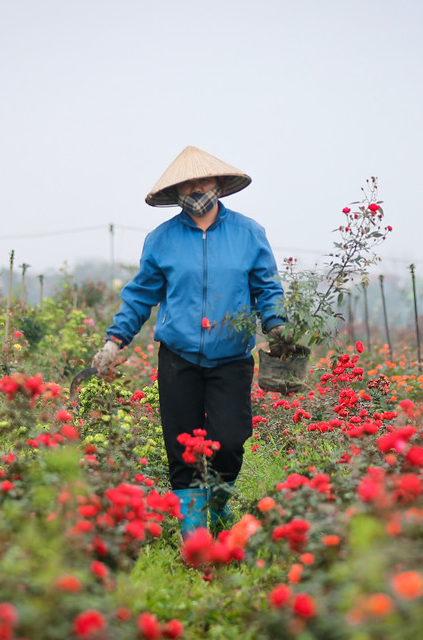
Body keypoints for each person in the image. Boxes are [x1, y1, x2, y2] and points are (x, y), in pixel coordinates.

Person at [92, 146, 291, 537]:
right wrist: (115, 340)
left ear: (219, 183)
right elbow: (141, 294)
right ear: (177, 191)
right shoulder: (161, 239)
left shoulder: (248, 234)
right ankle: (194, 536)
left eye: (203, 180)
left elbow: (267, 287)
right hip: (178, 358)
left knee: (229, 442)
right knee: (182, 447)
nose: (197, 188)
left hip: (231, 357)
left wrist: (277, 325)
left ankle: (218, 506)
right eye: (188, 183)